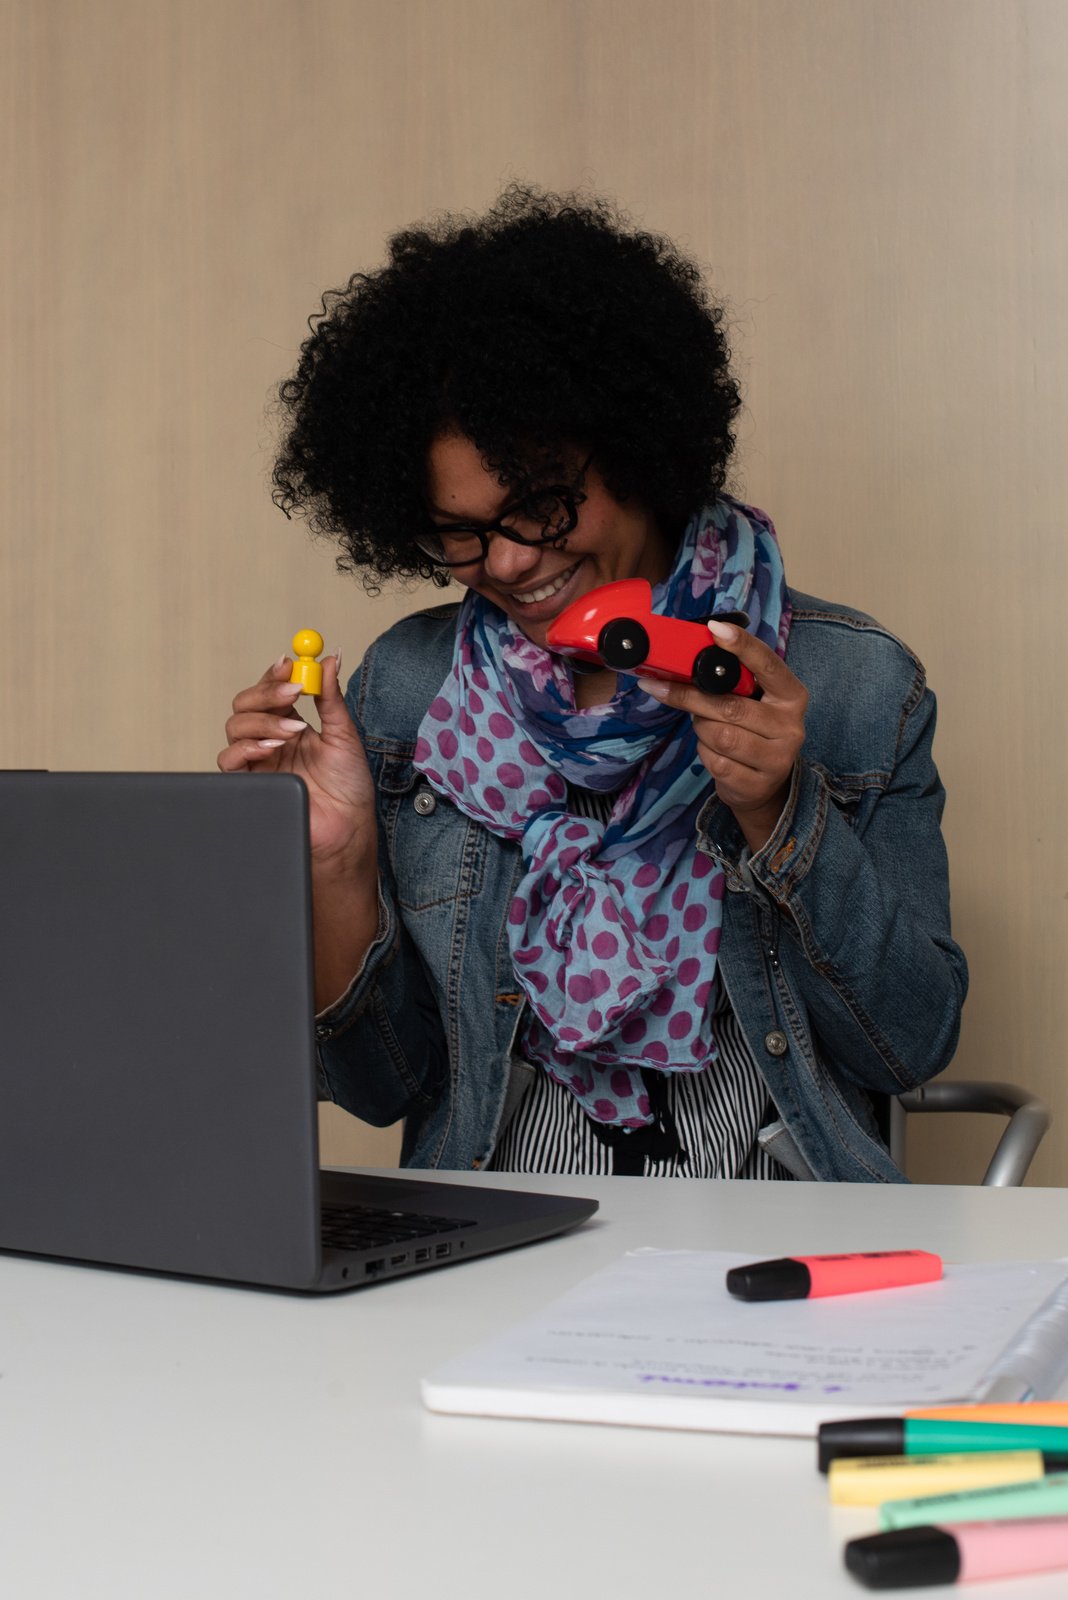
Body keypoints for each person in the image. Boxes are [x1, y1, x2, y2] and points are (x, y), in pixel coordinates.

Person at [218, 185, 967, 1181]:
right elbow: (381, 1088)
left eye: (538, 505)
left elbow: (909, 1044)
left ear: (638, 451)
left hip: (769, 1241)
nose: (511, 563)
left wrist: (783, 816)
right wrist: (337, 865)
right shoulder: (412, 691)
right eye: (460, 531)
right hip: (497, 1237)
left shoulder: (853, 685)